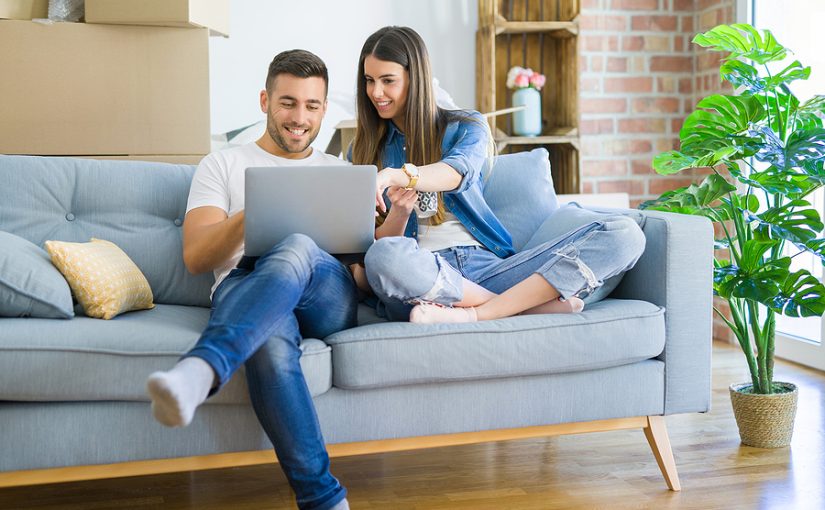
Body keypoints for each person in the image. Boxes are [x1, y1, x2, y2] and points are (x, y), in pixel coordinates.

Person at [146, 50, 354, 510]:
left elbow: (359, 270)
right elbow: (198, 257)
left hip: (324, 294)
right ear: (264, 100)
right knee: (270, 345)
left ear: (323, 110)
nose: (300, 118)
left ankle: (200, 369)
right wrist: (254, 213)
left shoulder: (340, 173)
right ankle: (324, 501)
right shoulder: (221, 165)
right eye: (288, 102)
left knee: (298, 244)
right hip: (246, 287)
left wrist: (391, 218)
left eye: (312, 106)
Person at [351, 26, 646, 323]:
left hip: (488, 270)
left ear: (416, 79)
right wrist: (398, 216)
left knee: (626, 234)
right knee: (383, 257)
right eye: (369, 81)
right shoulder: (361, 151)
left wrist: (399, 175)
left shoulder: (466, 126)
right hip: (421, 276)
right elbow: (372, 248)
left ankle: (475, 313)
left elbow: (458, 172)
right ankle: (523, 306)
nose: (376, 93)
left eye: (388, 81)